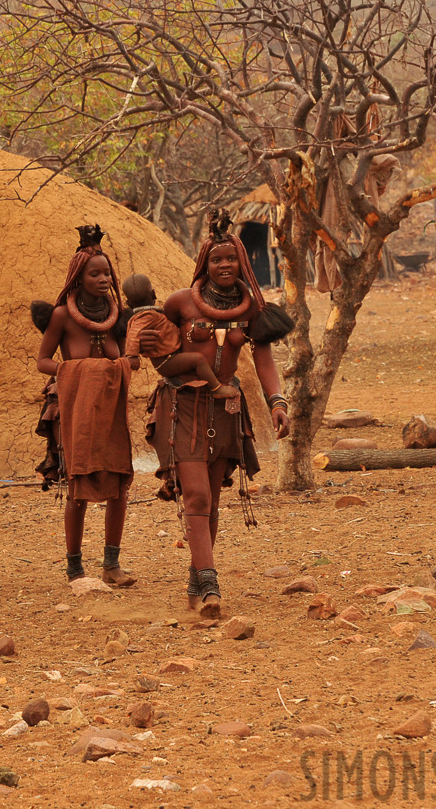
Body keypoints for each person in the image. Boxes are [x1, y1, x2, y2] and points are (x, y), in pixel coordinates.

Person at [146, 210, 292, 618]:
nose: (224, 265)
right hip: (182, 407)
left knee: (210, 502)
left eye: (231, 258)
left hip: (226, 410)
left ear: (241, 261)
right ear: (204, 264)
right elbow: (158, 349)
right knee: (195, 494)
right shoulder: (180, 303)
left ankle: (197, 576)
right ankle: (210, 586)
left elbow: (263, 360)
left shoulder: (253, 308)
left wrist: (277, 402)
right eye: (216, 259)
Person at [33, 224, 136, 587]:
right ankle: (74, 567)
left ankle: (111, 564)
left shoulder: (116, 318)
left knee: (118, 484)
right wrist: (74, 372)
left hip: (111, 412)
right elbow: (43, 360)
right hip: (74, 411)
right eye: (95, 273)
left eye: (107, 272)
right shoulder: (62, 316)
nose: (103, 279)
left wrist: (121, 363)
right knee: (78, 486)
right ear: (78, 278)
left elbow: (130, 360)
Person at [122, 273, 239, 398]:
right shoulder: (146, 316)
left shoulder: (149, 315)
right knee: (198, 360)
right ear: (154, 294)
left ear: (128, 303)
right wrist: (132, 355)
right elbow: (134, 333)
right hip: (167, 361)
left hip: (170, 358)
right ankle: (217, 388)